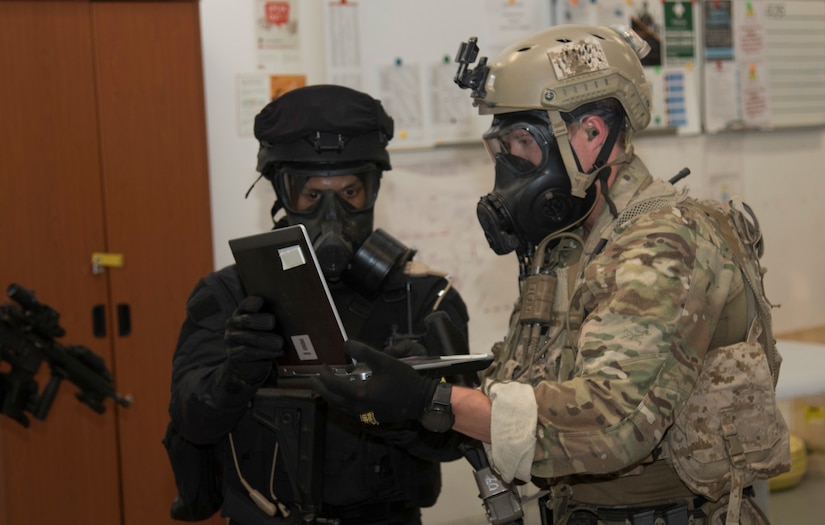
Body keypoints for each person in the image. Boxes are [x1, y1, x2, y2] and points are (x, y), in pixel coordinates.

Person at [312, 25, 791, 525]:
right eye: (503, 146)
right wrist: (431, 385)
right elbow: (531, 384)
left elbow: (613, 423)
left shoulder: (663, 241)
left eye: (523, 141)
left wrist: (436, 401)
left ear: (590, 134)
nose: (510, 165)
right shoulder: (571, 242)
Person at [168, 84, 473, 525]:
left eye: (350, 193)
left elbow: (460, 442)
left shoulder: (425, 299)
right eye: (311, 195)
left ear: (373, 190)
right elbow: (191, 423)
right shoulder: (229, 298)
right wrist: (235, 375)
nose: (333, 214)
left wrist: (411, 403)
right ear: (282, 195)